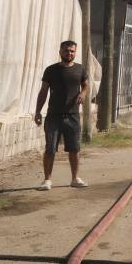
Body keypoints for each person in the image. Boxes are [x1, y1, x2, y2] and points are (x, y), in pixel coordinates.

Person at [33, 40, 89, 190]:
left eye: (72, 51)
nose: (69, 53)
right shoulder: (51, 70)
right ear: (60, 52)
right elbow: (43, 91)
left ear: (75, 52)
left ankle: (75, 178)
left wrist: (83, 94)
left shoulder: (80, 69)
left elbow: (86, 86)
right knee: (50, 148)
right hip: (54, 116)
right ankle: (47, 180)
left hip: (73, 116)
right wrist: (38, 111)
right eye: (66, 50)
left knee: (74, 149)